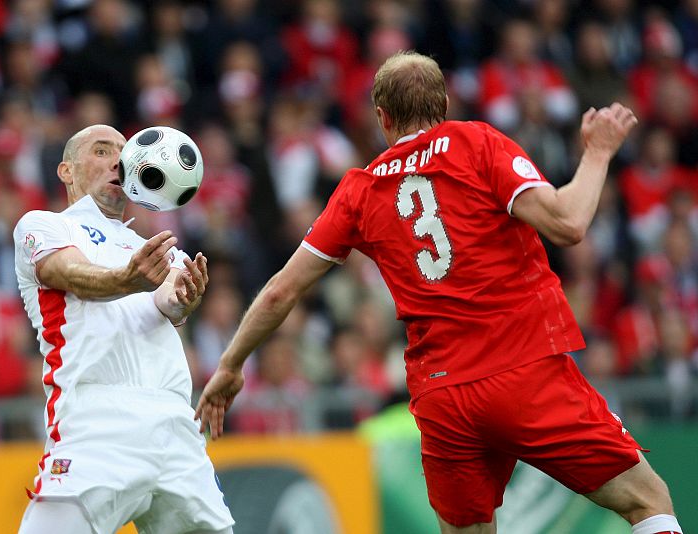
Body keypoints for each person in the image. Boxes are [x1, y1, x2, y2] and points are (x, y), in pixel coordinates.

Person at [195, 52, 683, 534]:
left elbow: (279, 292)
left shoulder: (359, 190)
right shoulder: (477, 143)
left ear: (383, 118)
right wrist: (597, 152)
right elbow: (568, 222)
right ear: (444, 104)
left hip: (444, 396)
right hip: (523, 370)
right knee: (647, 499)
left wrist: (230, 365)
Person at [13, 124, 234, 534]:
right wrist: (127, 280)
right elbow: (71, 274)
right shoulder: (43, 225)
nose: (119, 160)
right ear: (66, 171)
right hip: (97, 419)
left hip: (175, 423)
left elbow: (168, 301)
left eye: (123, 151)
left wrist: (184, 299)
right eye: (101, 151)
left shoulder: (155, 250)